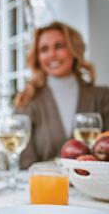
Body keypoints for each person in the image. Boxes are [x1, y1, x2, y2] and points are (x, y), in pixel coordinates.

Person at [15, 21, 109, 169]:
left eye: (59, 46)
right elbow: (26, 164)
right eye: (44, 49)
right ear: (38, 57)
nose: (52, 54)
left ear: (74, 50)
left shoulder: (103, 97)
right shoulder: (28, 101)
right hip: (47, 187)